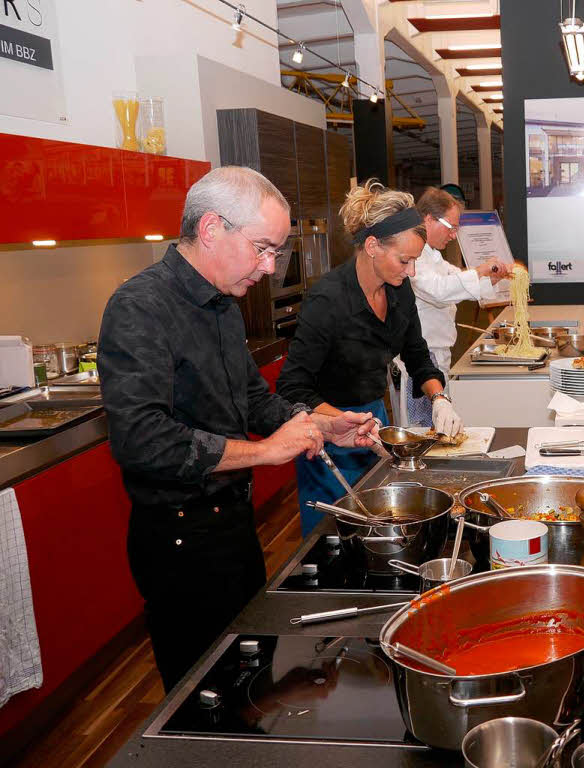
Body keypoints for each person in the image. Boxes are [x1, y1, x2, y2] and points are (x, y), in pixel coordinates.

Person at [98, 167, 381, 691]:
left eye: (276, 252)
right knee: (203, 694)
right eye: (263, 248)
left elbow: (252, 400)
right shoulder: (140, 308)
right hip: (179, 540)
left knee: (251, 675)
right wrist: (265, 453)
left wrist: (323, 424)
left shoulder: (222, 304)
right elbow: (141, 441)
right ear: (211, 229)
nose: (270, 268)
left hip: (232, 527)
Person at [277, 180, 459, 536]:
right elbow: (292, 387)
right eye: (404, 260)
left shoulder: (399, 290)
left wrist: (439, 398)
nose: (410, 272)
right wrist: (341, 421)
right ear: (373, 246)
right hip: (328, 434)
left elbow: (417, 354)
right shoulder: (328, 301)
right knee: (332, 536)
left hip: (373, 424)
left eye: (414, 262)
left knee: (379, 527)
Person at [401, 187, 511, 425]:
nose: (454, 235)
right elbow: (438, 290)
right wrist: (480, 272)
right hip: (422, 357)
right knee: (422, 427)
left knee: (440, 421)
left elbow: (456, 277)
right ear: (428, 219)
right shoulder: (413, 255)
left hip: (438, 353)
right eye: (451, 226)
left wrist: (492, 278)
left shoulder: (432, 254)